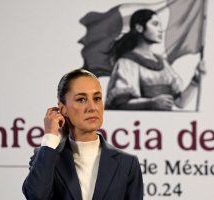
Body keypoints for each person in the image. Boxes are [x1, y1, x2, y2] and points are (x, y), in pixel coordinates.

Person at [22, 69, 143, 200]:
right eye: (81, 99)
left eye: (97, 98)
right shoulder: (45, 158)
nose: (92, 107)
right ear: (63, 109)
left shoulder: (127, 164)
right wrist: (50, 136)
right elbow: (36, 196)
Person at [105, 9, 205, 111]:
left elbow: (180, 103)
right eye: (155, 24)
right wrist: (151, 103)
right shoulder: (127, 62)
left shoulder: (162, 63)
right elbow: (121, 104)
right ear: (139, 28)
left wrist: (196, 79)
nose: (161, 29)